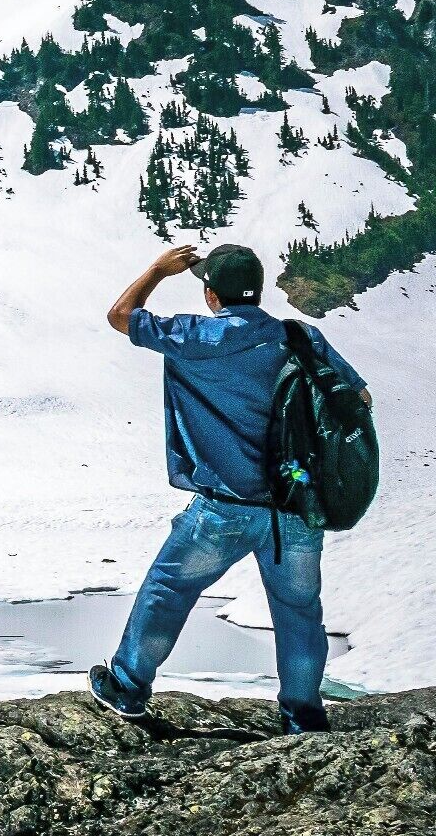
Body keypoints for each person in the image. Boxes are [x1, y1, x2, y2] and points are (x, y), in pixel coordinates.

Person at [89, 243, 369, 734]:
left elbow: (121, 315)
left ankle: (128, 687)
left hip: (224, 508)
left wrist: (157, 269)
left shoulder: (196, 335)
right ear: (257, 290)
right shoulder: (299, 337)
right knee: (299, 612)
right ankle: (303, 718)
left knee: (169, 588)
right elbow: (358, 397)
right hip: (295, 507)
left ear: (212, 294)